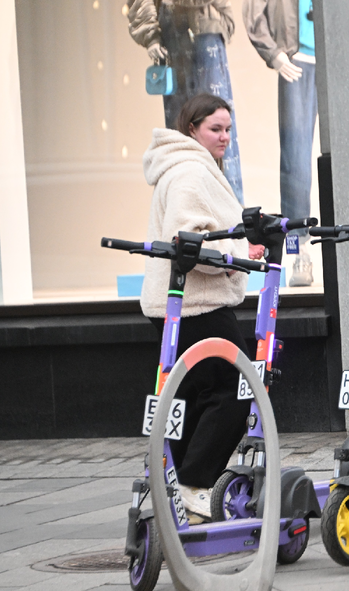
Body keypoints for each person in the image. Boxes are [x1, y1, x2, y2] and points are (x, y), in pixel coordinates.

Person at [140, 93, 263, 521]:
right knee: (237, 391)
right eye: (215, 128)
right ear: (192, 129)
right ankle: (193, 486)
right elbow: (188, 241)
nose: (225, 137)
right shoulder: (191, 171)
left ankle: (172, 491)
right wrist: (238, 254)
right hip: (199, 305)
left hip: (176, 307)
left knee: (189, 400)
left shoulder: (182, 167)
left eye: (229, 129)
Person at [128, 0, 245, 203]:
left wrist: (222, 19)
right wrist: (151, 36)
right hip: (173, 30)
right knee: (182, 131)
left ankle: (232, 216)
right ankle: (187, 208)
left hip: (206, 27)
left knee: (217, 126)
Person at [243, 0, 318, 286]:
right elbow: (252, 14)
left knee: (345, 153)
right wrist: (274, 54)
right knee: (296, 162)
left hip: (334, 59)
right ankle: (299, 250)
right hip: (295, 63)